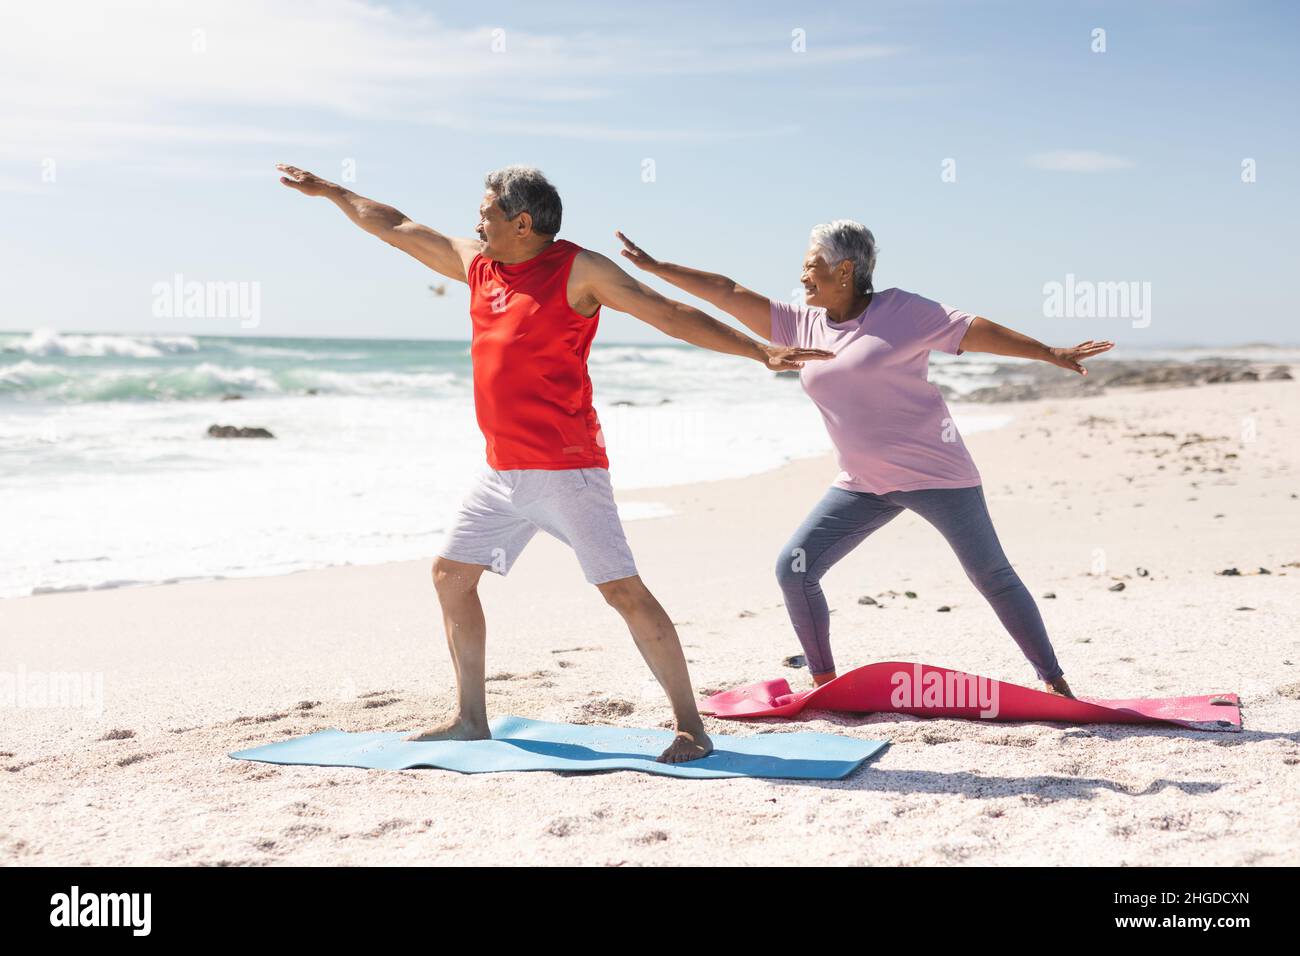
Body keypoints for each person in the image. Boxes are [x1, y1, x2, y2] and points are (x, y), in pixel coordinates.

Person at [276, 163, 832, 762]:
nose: (476, 221)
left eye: (486, 211)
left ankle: (692, 726)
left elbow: (665, 312)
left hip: (567, 470)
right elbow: (397, 226)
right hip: (501, 472)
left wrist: (757, 349)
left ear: (521, 221)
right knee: (451, 576)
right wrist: (332, 191)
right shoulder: (478, 263)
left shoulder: (579, 269)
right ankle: (470, 718)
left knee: (623, 591)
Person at [616, 221, 1115, 698]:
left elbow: (976, 331)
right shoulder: (801, 322)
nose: (802, 276)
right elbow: (726, 292)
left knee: (992, 576)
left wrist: (1049, 352)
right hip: (862, 484)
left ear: (846, 270)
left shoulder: (904, 312)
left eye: (812, 266)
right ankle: (824, 682)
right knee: (795, 569)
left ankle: (1054, 682)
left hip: (937, 475)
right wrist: (657, 268)